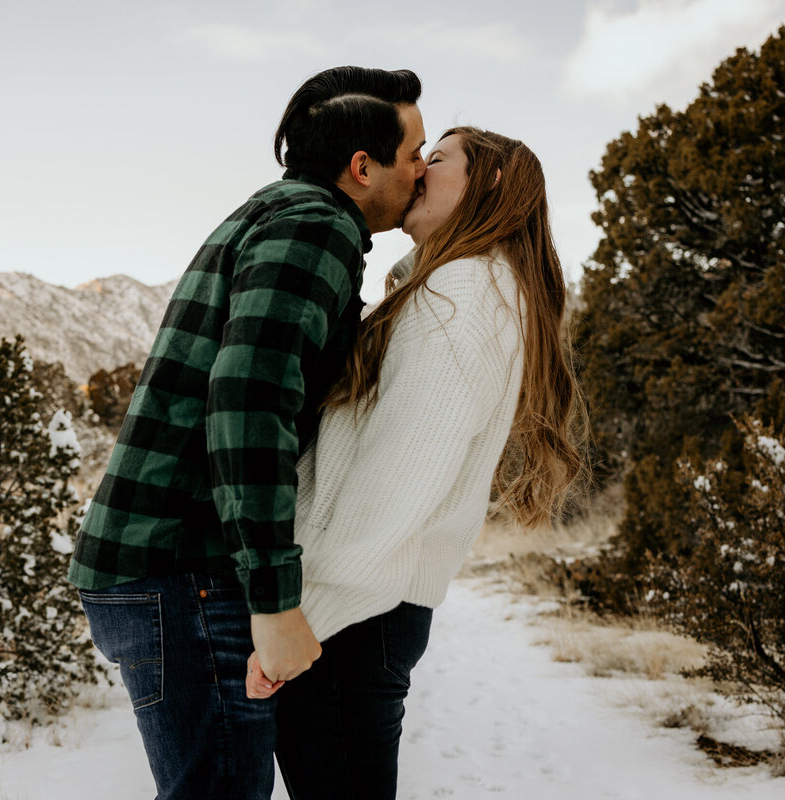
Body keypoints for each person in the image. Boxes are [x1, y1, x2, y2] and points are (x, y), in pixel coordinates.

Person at [67, 66, 427, 800]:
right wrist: (274, 600)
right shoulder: (316, 225)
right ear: (363, 167)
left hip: (164, 566)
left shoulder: (280, 213)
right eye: (415, 151)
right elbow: (247, 403)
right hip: (184, 569)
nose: (421, 169)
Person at [246, 126, 588, 800]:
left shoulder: (462, 292)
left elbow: (395, 485)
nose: (418, 172)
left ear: (489, 183)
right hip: (369, 610)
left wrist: (298, 621)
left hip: (351, 613)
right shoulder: (472, 287)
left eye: (437, 159)